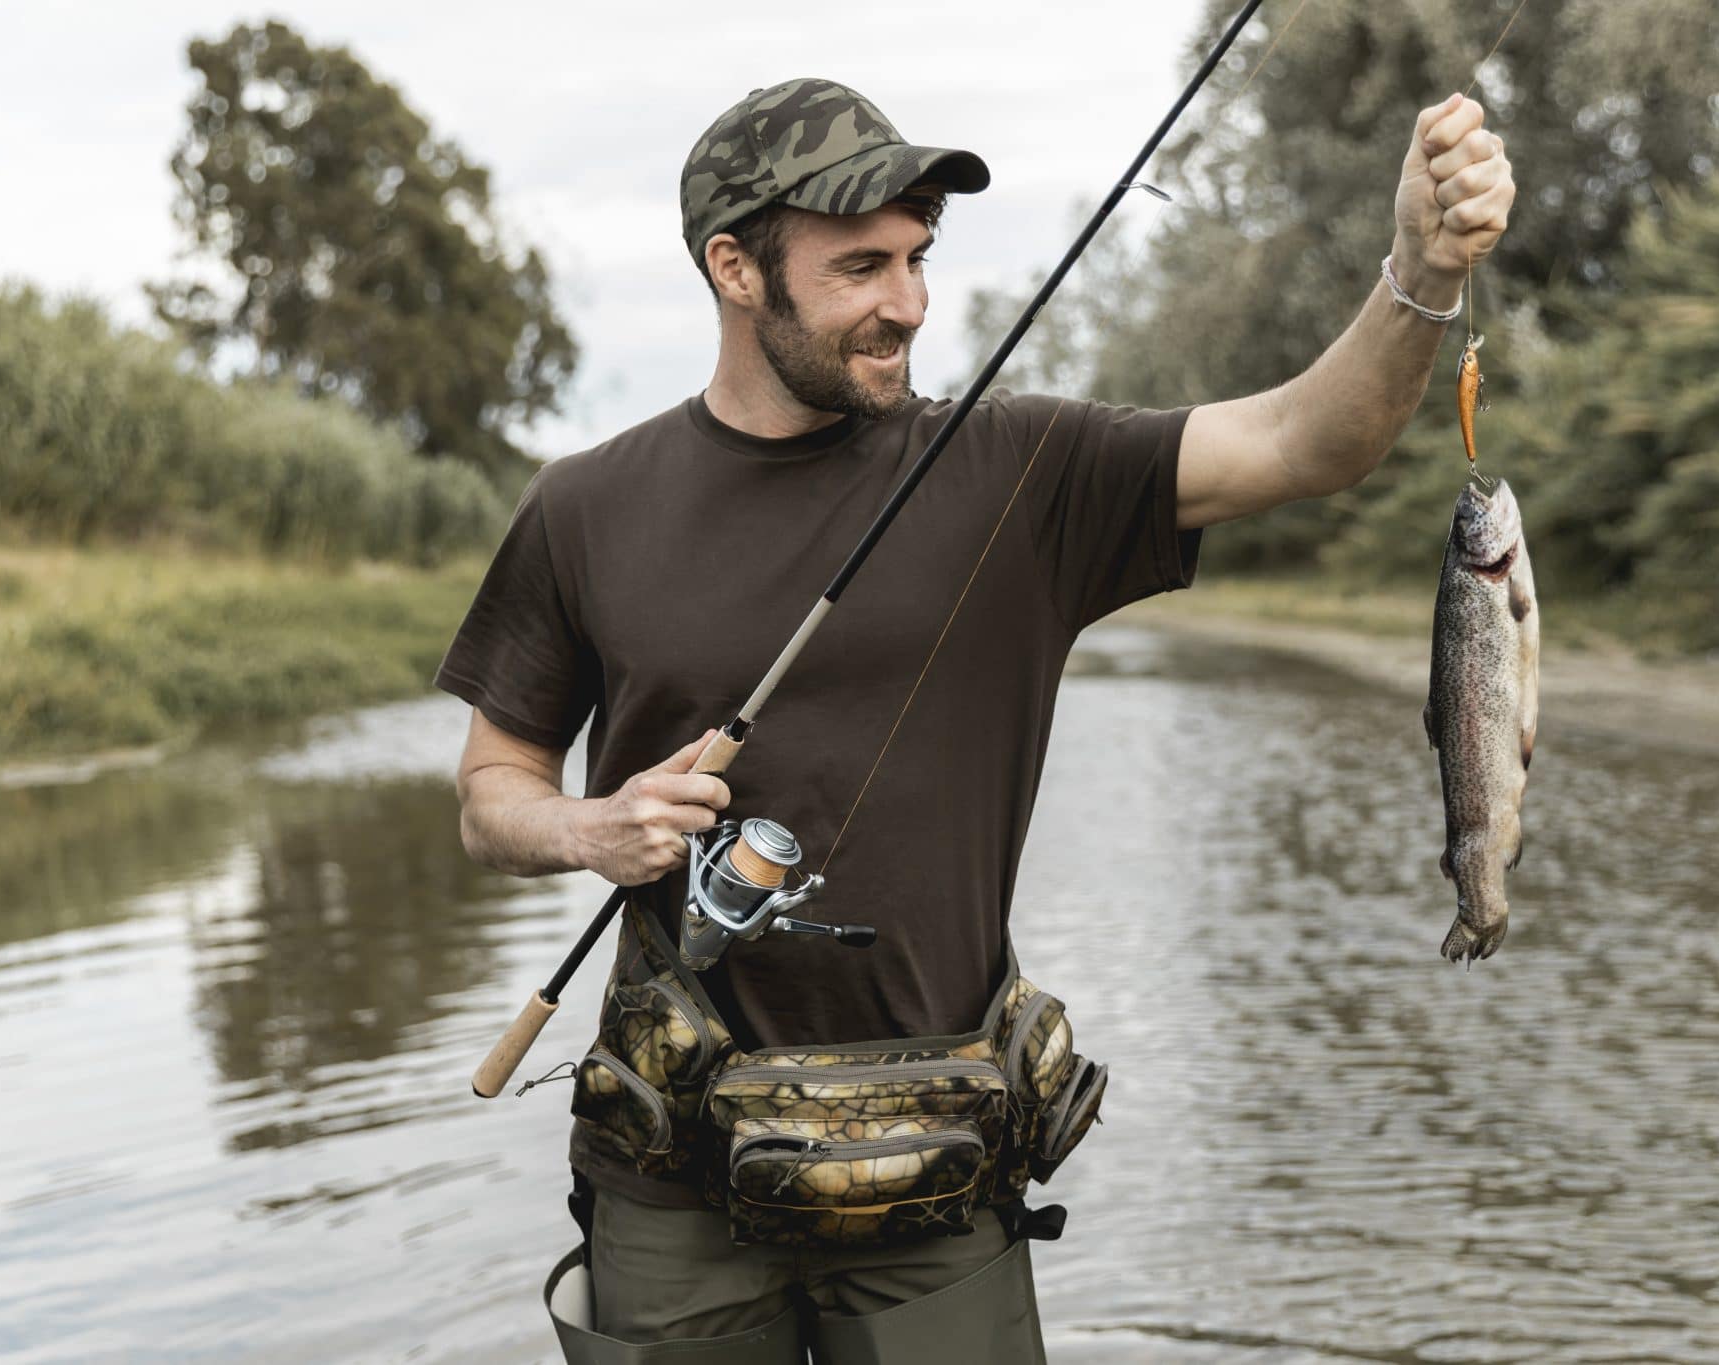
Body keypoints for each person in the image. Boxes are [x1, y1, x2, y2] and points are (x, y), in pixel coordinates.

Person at [436, 76, 1512, 1363]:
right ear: (733, 267)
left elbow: (1301, 441)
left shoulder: (1020, 473)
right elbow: (490, 790)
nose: (907, 302)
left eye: (916, 258)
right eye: (858, 267)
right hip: (671, 1179)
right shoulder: (584, 508)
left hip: (942, 1179)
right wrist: (588, 829)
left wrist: (1419, 270)